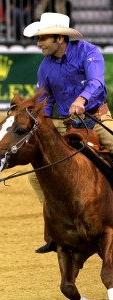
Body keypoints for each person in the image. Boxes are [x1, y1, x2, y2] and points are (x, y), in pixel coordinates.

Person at [23, 12, 113, 253]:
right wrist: (39, 122)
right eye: (38, 39)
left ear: (60, 38)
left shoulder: (89, 53)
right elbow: (45, 100)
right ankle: (58, 228)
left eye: (43, 38)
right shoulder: (45, 67)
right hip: (65, 124)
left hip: (96, 117)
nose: (39, 43)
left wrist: (81, 99)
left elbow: (97, 84)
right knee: (36, 175)